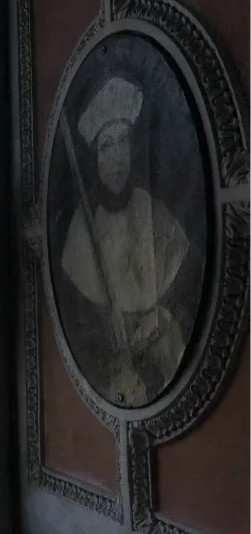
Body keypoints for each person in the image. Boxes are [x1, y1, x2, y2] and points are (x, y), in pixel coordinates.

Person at [59, 76, 190, 405]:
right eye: (107, 146)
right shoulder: (81, 229)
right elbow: (82, 333)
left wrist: (161, 316)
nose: (117, 157)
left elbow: (185, 288)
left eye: (124, 142)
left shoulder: (151, 209)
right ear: (95, 157)